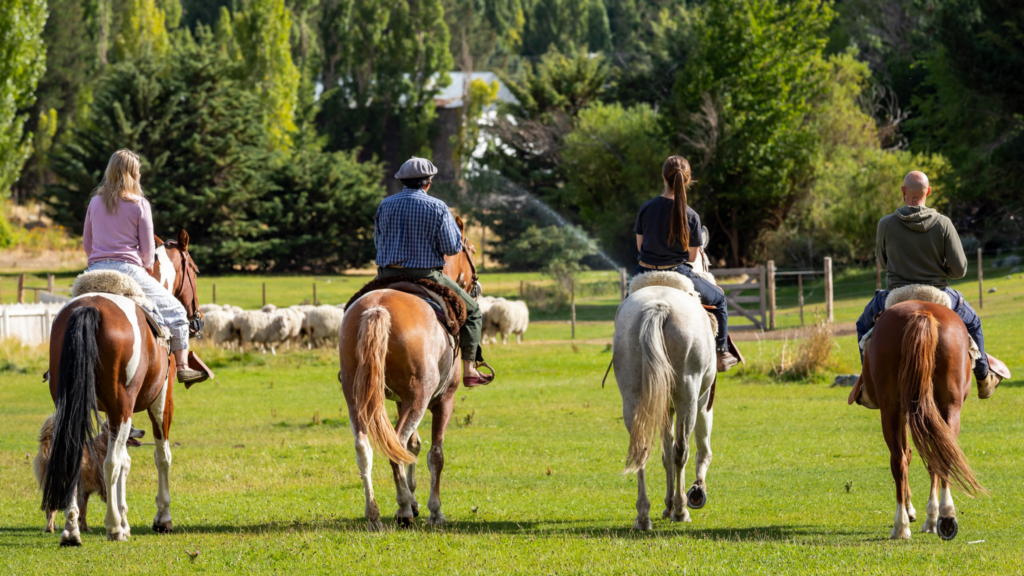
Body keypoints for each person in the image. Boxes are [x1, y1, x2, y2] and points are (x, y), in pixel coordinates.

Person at [854, 171, 1008, 402]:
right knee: (973, 322)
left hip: (896, 295)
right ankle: (984, 378)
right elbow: (960, 270)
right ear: (928, 191)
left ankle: (870, 385)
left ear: (903, 191)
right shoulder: (943, 224)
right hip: (938, 294)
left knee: (863, 324)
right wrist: (938, 271)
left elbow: (884, 262)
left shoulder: (885, 224)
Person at [82, 149, 204, 384]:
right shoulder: (140, 204)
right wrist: (146, 266)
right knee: (178, 313)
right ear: (130, 174)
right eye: (137, 172)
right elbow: (148, 253)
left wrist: (99, 259)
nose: (139, 176)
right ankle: (182, 367)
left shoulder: (95, 203)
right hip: (128, 271)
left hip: (94, 272)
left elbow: (87, 244)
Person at [373, 157, 494, 388]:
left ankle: (350, 365)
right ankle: (469, 369)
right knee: (474, 311)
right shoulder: (438, 207)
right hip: (425, 276)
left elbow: (378, 243)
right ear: (428, 182)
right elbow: (451, 247)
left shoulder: (385, 205)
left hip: (386, 275)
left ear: (402, 181)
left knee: (353, 308)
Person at [633, 156, 738, 372]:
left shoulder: (646, 207)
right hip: (677, 272)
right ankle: (722, 352)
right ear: (687, 180)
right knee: (719, 299)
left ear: (663, 177)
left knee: (625, 311)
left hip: (644, 270)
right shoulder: (691, 215)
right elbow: (691, 258)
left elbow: (640, 247)